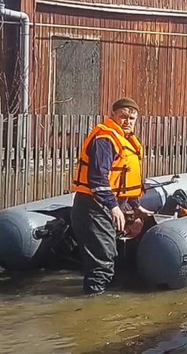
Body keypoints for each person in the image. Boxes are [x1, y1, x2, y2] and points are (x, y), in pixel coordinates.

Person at [70, 97, 153, 295]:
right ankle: (92, 310)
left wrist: (135, 205)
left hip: (109, 205)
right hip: (94, 206)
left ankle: (100, 299)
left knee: (110, 257)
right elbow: (98, 179)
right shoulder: (105, 139)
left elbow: (123, 177)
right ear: (113, 115)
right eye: (123, 116)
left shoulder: (126, 140)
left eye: (132, 118)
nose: (127, 121)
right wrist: (114, 207)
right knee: (102, 262)